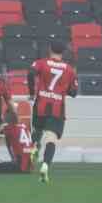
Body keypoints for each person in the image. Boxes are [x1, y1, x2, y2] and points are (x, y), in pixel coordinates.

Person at [27, 42, 78, 184]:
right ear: (63, 53)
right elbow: (74, 93)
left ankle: (35, 145)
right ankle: (45, 166)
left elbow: (30, 73)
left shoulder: (41, 63)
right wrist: (65, 86)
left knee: (37, 129)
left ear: (49, 50)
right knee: (51, 138)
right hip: (57, 107)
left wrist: (31, 94)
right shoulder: (69, 69)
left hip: (41, 103)